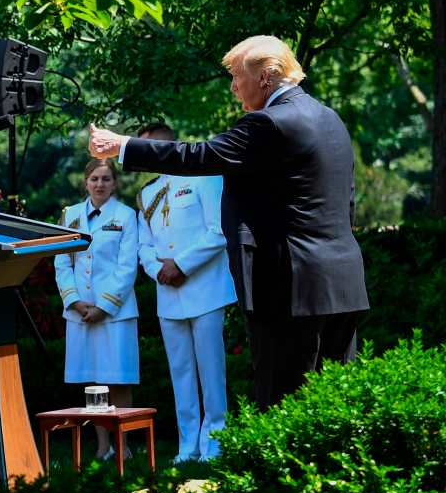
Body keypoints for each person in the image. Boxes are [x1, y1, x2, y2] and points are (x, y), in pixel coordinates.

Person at [90, 35, 369, 409]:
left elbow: (200, 156)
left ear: (265, 77)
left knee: (285, 406)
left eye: (238, 76)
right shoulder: (330, 119)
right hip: (343, 283)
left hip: (291, 287)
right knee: (336, 409)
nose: (234, 86)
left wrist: (121, 145)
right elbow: (345, 203)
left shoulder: (268, 123)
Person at [135, 122, 236, 462]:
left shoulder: (204, 177)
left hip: (204, 289)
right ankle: (187, 443)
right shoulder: (147, 193)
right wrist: (158, 270)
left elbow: (219, 232)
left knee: (211, 370)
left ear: (167, 146)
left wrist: (180, 265)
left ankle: (216, 439)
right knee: (180, 372)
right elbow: (144, 246)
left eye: (149, 148)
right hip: (168, 293)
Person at [53, 159, 139, 460]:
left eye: (105, 179)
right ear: (85, 182)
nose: (99, 184)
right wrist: (75, 301)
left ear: (114, 183)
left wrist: (104, 306)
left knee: (119, 378)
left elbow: (127, 266)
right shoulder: (71, 215)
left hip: (116, 312)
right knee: (94, 382)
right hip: (80, 312)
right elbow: (61, 261)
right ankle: (103, 446)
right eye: (94, 179)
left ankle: (123, 445)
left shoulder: (126, 216)